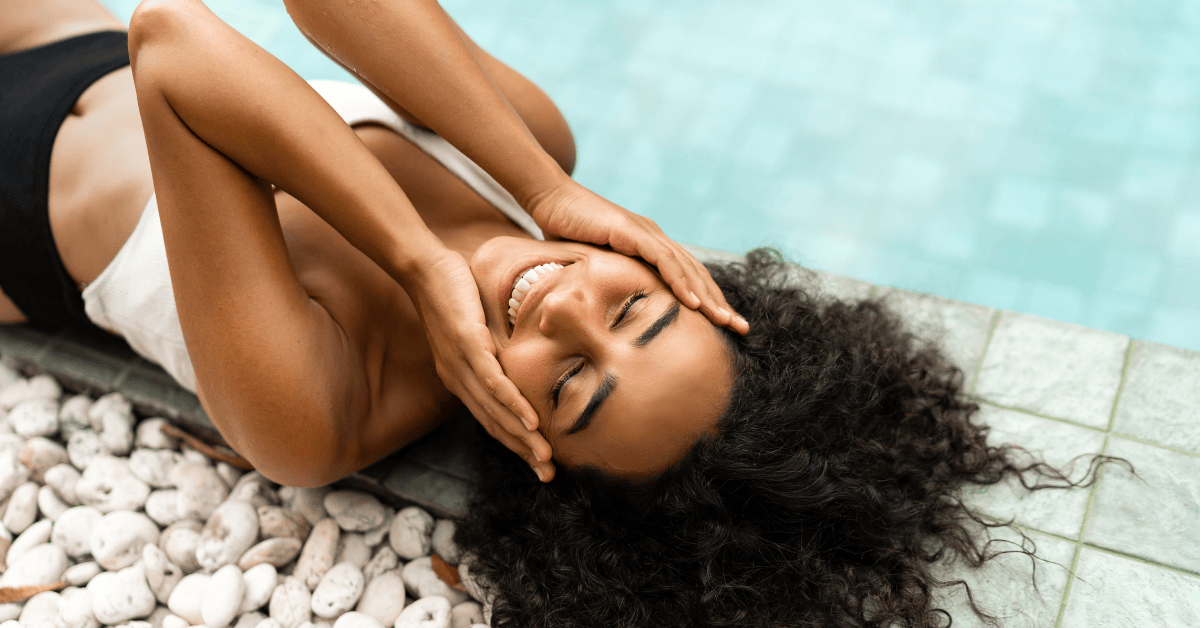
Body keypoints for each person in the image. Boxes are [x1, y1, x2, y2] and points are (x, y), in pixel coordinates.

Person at [0, 1, 1122, 626]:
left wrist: (412, 257)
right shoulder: (534, 166)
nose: (563, 309)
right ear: (682, 276)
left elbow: (179, 49)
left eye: (572, 385)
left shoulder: (318, 416)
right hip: (60, 42)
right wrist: (541, 185)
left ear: (530, 451)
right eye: (632, 308)